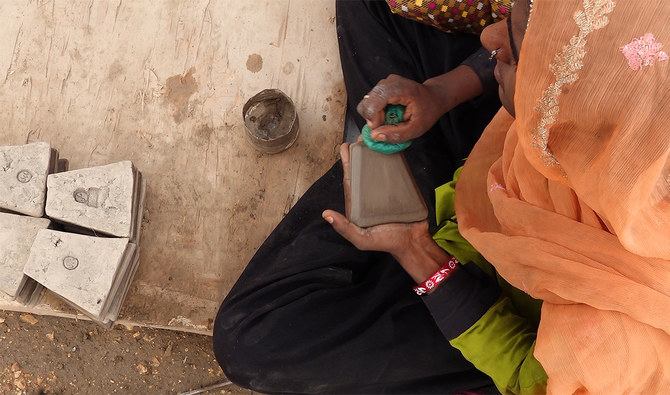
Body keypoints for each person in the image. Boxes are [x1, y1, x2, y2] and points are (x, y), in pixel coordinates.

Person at [212, 0, 523, 393]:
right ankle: (415, 165)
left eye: (513, 51)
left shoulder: (605, 342)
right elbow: (513, 39)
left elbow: (532, 374)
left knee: (252, 341)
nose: (489, 37)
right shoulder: (604, 61)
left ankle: (411, 180)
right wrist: (440, 92)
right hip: (485, 155)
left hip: (479, 301)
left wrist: (416, 251)